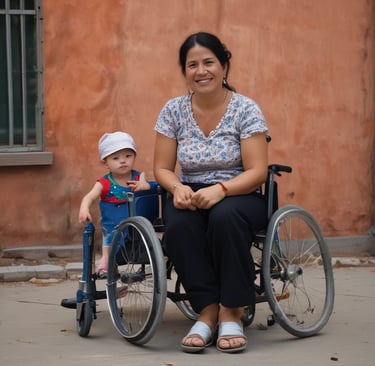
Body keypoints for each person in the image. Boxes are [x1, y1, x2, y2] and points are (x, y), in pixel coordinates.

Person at [153, 32, 269, 353]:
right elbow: (161, 168)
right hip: (189, 190)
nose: (201, 71)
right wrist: (177, 188)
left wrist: (221, 189)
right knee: (177, 227)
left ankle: (232, 310)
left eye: (208, 62)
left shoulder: (245, 109)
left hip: (239, 193)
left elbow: (258, 170)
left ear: (223, 66)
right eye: (192, 65)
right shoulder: (173, 110)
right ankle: (207, 309)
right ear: (184, 71)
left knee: (225, 218)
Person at [79, 131, 152, 275]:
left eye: (128, 156)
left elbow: (148, 187)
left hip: (137, 223)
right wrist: (84, 208)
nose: (123, 161)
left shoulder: (139, 177)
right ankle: (107, 261)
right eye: (116, 158)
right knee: (110, 237)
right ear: (105, 162)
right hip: (113, 224)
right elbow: (89, 197)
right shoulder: (104, 183)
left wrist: (145, 185)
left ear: (134, 157)